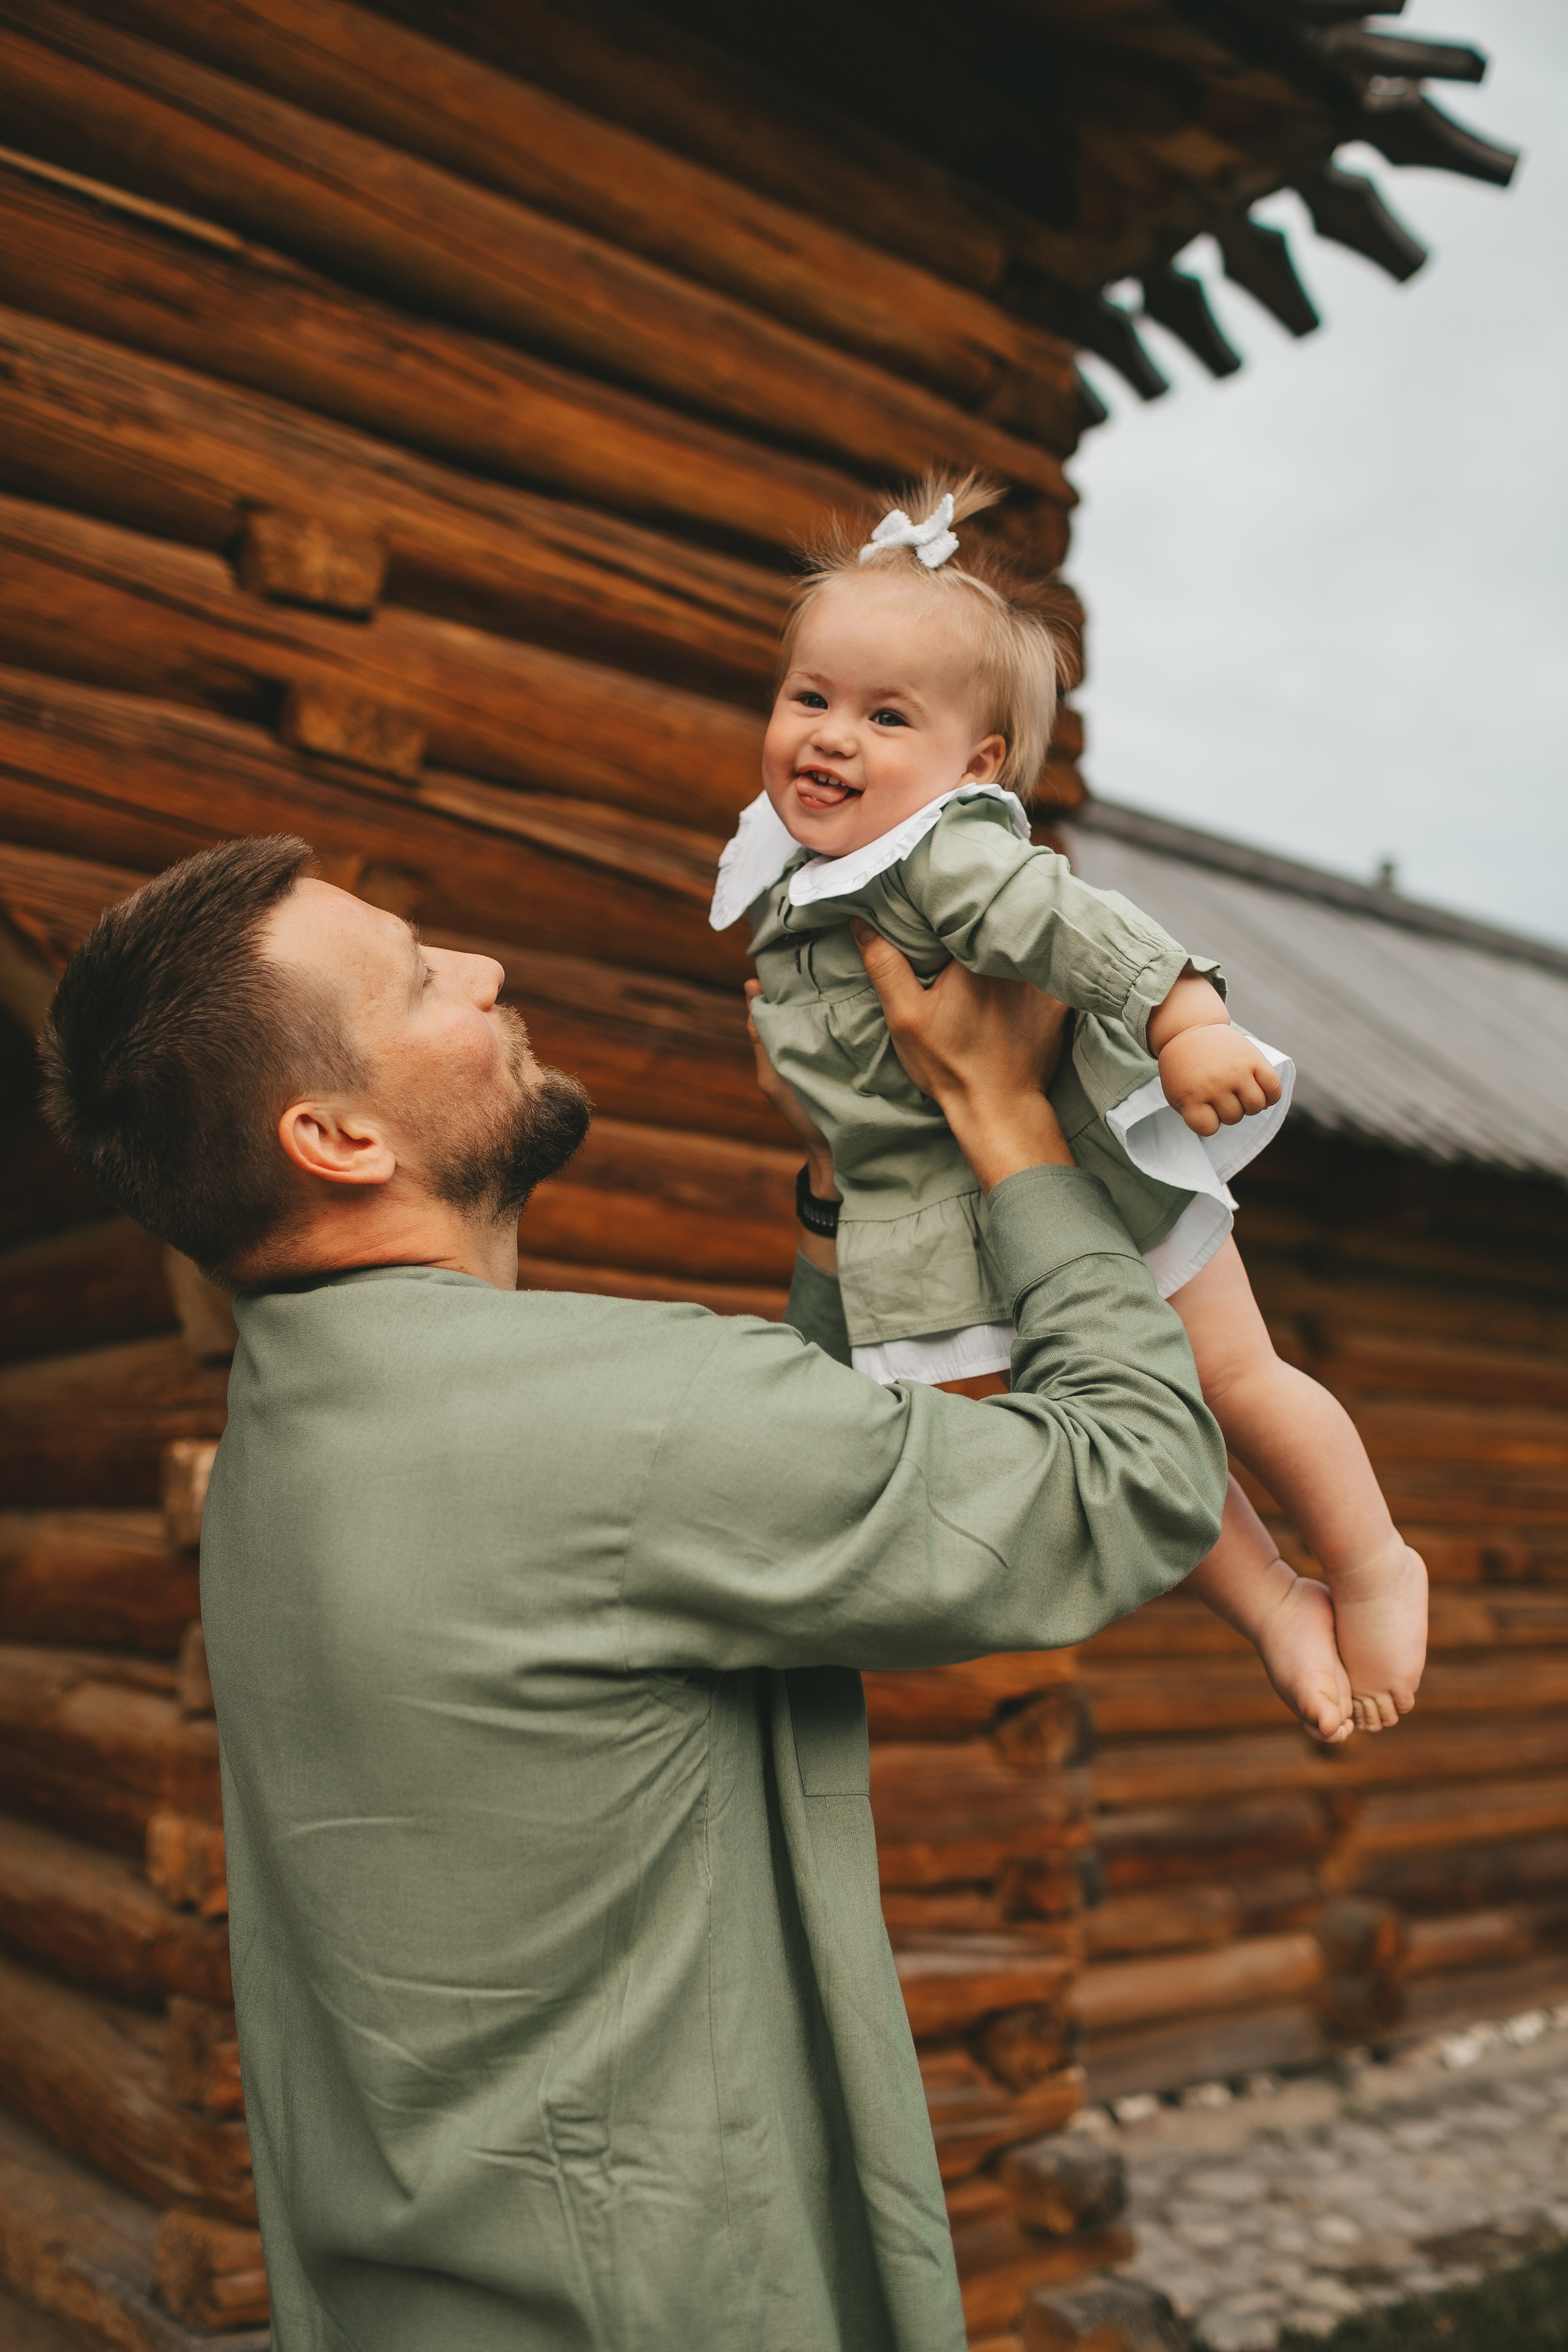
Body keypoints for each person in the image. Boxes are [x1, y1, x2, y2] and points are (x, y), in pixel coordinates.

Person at [42, 833, 1227, 2352]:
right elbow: (1128, 1482)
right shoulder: (612, 1422)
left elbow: (727, 1529)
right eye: (420, 977)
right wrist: (1006, 1125)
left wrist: (835, 1190)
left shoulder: (284, 1444)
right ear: (335, 1137)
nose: (484, 972)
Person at [714, 473, 1427, 1749]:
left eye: (886, 715)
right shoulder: (791, 890)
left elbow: (1072, 923)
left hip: (1086, 1168)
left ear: (971, 766)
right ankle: (1264, 1601)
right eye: (808, 698)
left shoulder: (944, 853)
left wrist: (1183, 1017)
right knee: (1109, 1425)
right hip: (958, 1215)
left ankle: (1372, 1561)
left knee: (1226, 1375)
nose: (829, 736)